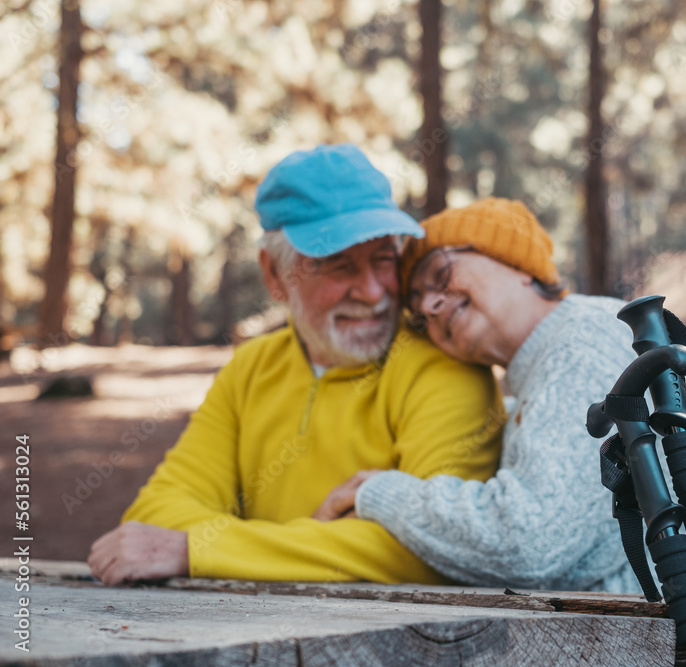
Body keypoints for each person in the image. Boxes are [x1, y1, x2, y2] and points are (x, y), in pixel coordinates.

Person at [318, 197, 686, 666]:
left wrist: (378, 492)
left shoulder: (581, 341)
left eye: (439, 272)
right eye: (417, 308)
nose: (430, 306)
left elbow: (531, 540)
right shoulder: (540, 371)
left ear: (517, 263)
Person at [87, 144, 504, 585]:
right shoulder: (250, 368)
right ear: (273, 275)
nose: (373, 292)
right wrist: (314, 543)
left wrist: (203, 550)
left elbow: (436, 547)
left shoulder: (446, 366)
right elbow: (155, 515)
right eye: (337, 264)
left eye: (384, 258)